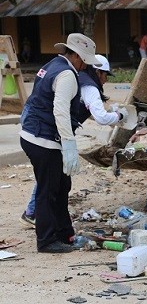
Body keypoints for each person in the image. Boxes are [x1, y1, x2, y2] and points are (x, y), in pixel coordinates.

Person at [19, 54, 129, 229]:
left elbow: (88, 109)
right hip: (49, 129)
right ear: (98, 72)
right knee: (50, 173)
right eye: (105, 75)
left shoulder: (71, 73)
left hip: (33, 119)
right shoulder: (89, 86)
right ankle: (36, 215)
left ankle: (34, 213)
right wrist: (119, 116)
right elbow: (99, 116)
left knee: (47, 172)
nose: (106, 80)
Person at [19, 33, 103, 253]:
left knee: (61, 186)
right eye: (84, 60)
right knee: (49, 190)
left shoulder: (53, 64)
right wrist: (69, 144)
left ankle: (65, 233)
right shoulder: (66, 74)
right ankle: (47, 241)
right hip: (43, 139)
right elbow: (61, 112)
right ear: (75, 55)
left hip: (34, 134)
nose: (85, 65)